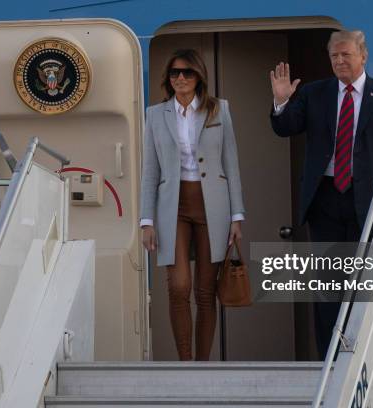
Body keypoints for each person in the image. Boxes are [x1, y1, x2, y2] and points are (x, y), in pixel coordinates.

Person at [269, 30, 373, 358]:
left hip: (370, 202)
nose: (339, 61)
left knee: (366, 286)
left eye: (346, 54)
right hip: (326, 201)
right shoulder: (314, 93)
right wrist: (281, 101)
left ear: (363, 56)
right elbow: (285, 127)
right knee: (329, 289)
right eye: (334, 56)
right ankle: (329, 361)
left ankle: (363, 355)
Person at [140, 49, 245, 361]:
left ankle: (203, 364)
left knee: (205, 291)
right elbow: (150, 171)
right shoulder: (155, 115)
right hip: (173, 207)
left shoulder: (218, 110)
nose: (180, 78)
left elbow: (232, 164)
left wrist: (237, 216)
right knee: (178, 288)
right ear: (168, 78)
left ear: (199, 76)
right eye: (174, 73)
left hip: (213, 206)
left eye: (187, 72)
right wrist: (146, 220)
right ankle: (184, 362)